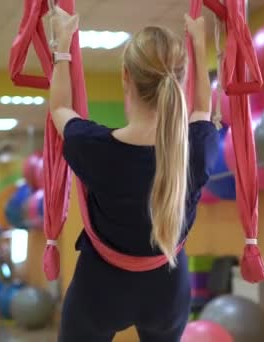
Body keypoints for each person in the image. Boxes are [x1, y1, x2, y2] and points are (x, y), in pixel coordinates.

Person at [48, 6, 219, 342]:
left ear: (125, 76)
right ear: (181, 79)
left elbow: (59, 108)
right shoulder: (197, 150)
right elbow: (202, 109)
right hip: (167, 289)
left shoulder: (93, 146)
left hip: (100, 290)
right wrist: (199, 46)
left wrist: (63, 45)